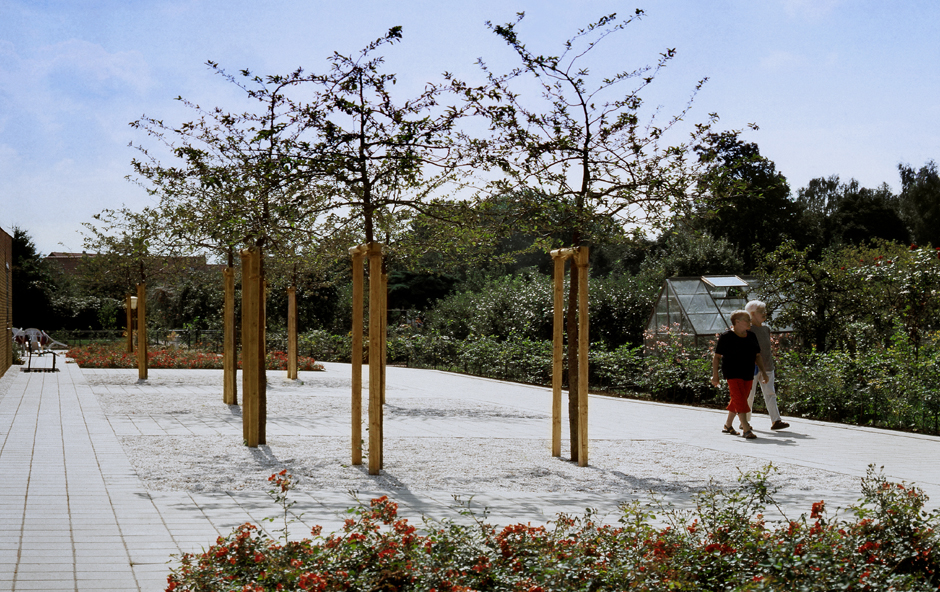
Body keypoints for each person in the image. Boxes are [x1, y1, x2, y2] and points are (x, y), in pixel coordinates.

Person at [710, 310, 769, 439]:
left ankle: (728, 425)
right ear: (737, 322)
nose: (750, 322)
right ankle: (746, 429)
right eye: (747, 319)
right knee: (740, 399)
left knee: (739, 398)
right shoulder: (726, 337)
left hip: (748, 373)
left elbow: (757, 356)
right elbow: (717, 357)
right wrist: (715, 375)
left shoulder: (752, 336)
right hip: (732, 373)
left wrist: (764, 373)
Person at [744, 300, 790, 431]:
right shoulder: (748, 330)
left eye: (765, 311)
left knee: (770, 393)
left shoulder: (766, 329)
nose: (765, 314)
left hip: (767, 366)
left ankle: (776, 421)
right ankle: (745, 421)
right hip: (751, 367)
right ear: (752, 314)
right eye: (761, 312)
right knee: (749, 395)